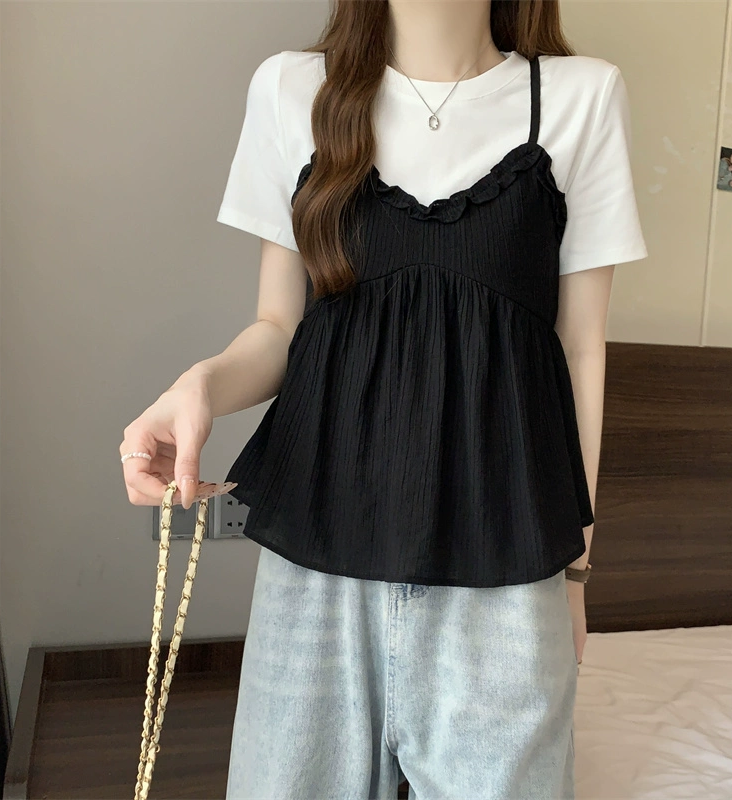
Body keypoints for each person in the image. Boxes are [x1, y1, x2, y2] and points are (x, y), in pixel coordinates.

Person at [119, 1, 648, 797]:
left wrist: (575, 572)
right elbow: (278, 328)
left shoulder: (582, 96)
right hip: (316, 567)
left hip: (505, 571)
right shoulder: (293, 89)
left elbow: (579, 350)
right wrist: (197, 386)